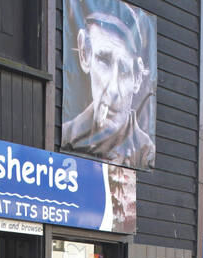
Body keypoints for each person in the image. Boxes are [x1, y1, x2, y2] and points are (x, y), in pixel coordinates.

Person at [62, 7, 155, 169]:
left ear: (137, 77)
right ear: (84, 54)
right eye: (103, 61)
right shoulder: (66, 135)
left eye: (124, 70)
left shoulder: (146, 152)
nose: (113, 89)